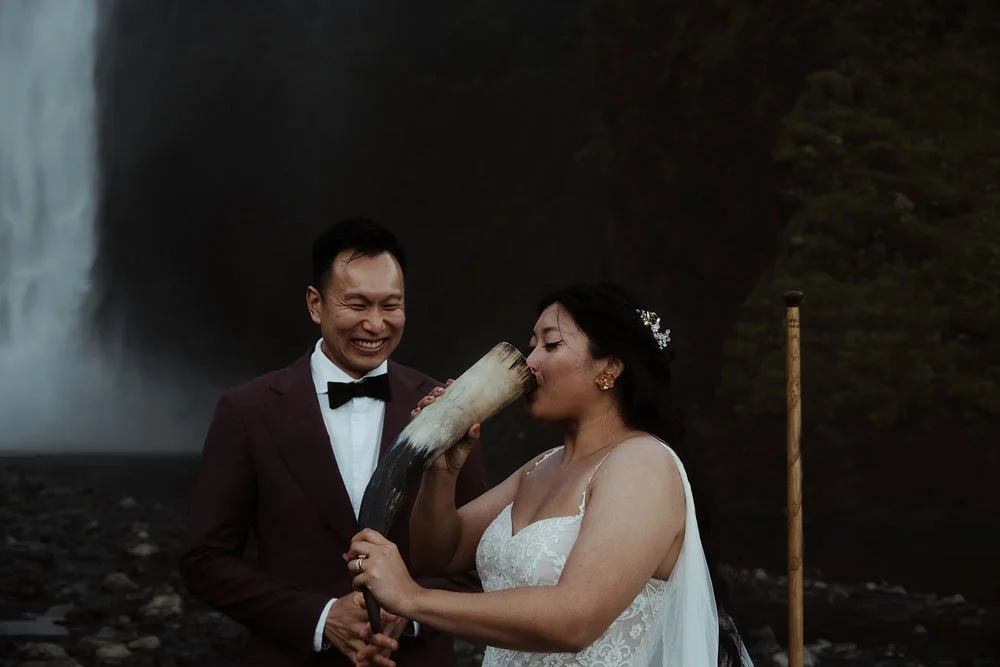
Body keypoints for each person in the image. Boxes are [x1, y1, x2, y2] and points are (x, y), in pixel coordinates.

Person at [344, 282, 753, 667]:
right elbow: (441, 554)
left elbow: (575, 619)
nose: (530, 361)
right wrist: (442, 470)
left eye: (551, 344)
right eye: (531, 345)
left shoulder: (643, 463)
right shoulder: (541, 466)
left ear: (608, 367)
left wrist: (412, 598)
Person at [179, 218, 489, 666]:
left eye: (391, 306)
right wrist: (321, 618)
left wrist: (415, 608)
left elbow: (483, 554)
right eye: (357, 304)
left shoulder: (447, 407)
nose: (376, 324)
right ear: (314, 304)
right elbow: (204, 560)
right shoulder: (246, 411)